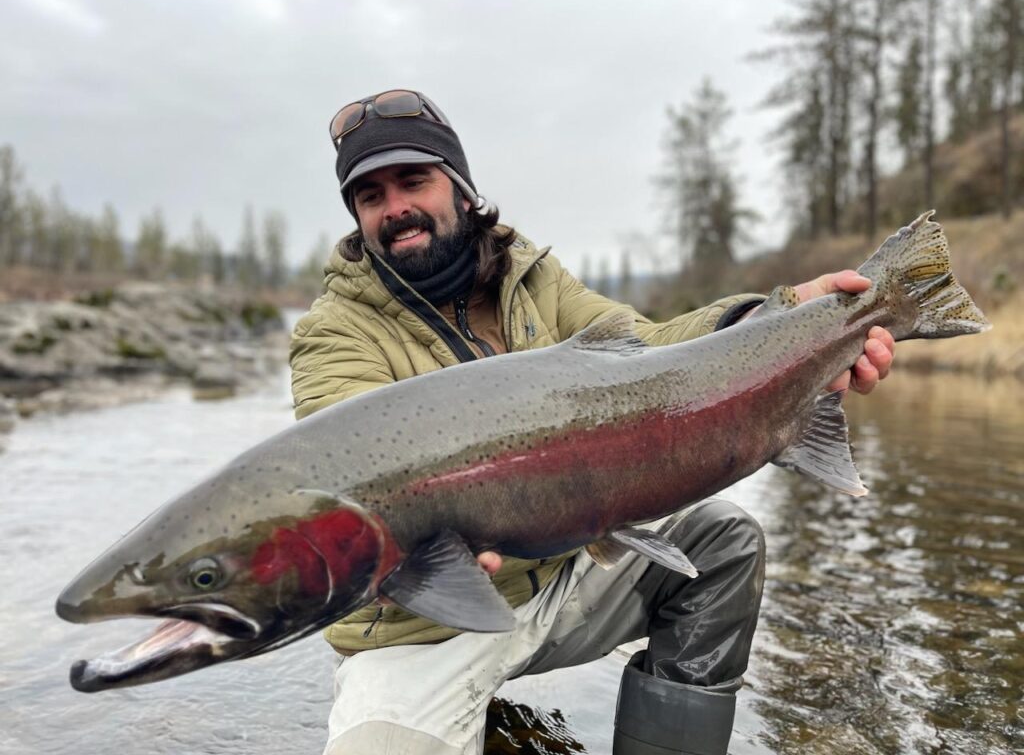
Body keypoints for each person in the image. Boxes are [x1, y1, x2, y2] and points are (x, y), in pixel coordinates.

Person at [289, 89, 895, 755]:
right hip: (420, 625)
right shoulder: (333, 334)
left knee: (723, 544)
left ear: (460, 189)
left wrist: (770, 321)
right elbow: (347, 489)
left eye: (413, 181)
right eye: (371, 196)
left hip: (558, 576)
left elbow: (651, 355)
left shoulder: (534, 279)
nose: (396, 207)